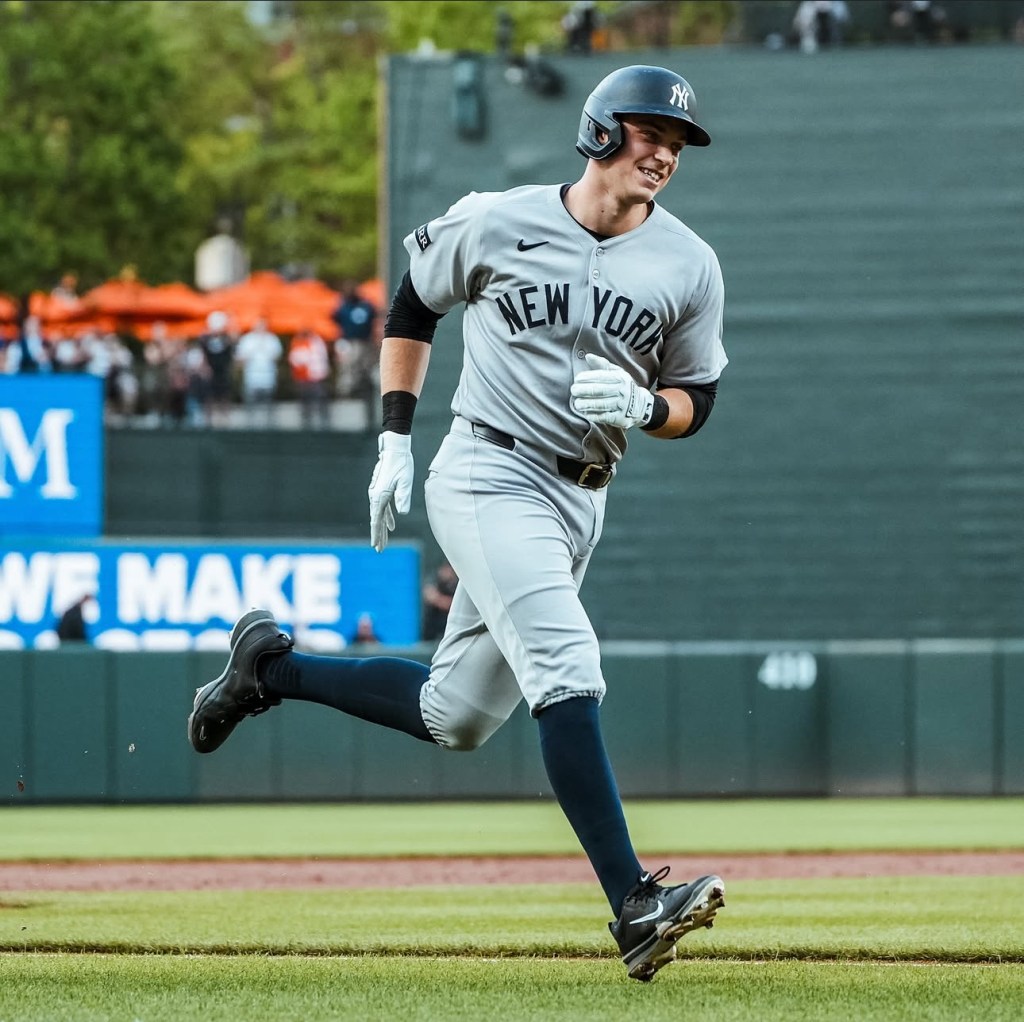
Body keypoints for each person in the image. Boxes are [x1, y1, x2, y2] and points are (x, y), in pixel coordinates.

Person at [187, 64, 727, 983]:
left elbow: (698, 398)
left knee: (458, 716)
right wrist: (394, 438)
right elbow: (413, 302)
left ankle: (266, 670)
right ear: (600, 130)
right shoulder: (498, 219)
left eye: (677, 143)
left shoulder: (689, 262)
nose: (665, 154)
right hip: (488, 469)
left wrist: (648, 408)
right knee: (567, 663)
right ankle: (633, 903)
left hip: (581, 496)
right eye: (650, 133)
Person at [235, 317, 283, 427]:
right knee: (251, 404)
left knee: (269, 404)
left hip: (268, 376)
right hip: (252, 377)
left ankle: (270, 426)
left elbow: (277, 356)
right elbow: (240, 358)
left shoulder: (272, 339)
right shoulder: (247, 339)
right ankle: (251, 426)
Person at [287, 327, 333, 429]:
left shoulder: (317, 342)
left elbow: (319, 359)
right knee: (305, 402)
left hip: (316, 377)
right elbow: (295, 359)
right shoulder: (298, 342)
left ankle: (324, 423)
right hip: (303, 378)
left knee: (320, 399)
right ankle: (307, 423)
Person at [421, 560, 458, 641]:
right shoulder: (437, 582)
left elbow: (455, 605)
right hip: (431, 633)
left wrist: (437, 599)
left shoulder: (456, 586)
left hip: (447, 632)